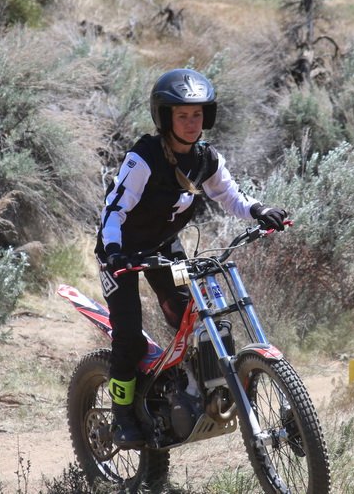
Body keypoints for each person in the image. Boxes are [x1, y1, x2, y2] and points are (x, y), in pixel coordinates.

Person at [96, 68, 287, 448]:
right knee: (129, 337)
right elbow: (113, 212)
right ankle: (122, 416)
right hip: (120, 252)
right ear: (165, 118)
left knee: (190, 316)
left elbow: (230, 195)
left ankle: (181, 390)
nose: (190, 122)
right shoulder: (144, 158)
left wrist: (259, 211)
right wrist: (114, 253)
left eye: (197, 114)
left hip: (163, 246)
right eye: (182, 115)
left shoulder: (205, 158)